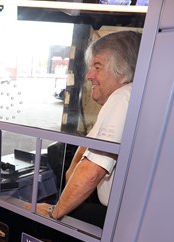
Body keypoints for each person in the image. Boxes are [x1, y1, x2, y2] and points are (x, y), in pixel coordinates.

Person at [35, 30, 142, 228]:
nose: (89, 75)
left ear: (122, 70)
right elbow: (85, 152)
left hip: (118, 218)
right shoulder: (134, 96)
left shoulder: (123, 97)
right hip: (128, 215)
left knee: (30, 212)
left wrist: (54, 212)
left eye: (97, 67)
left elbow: (92, 172)